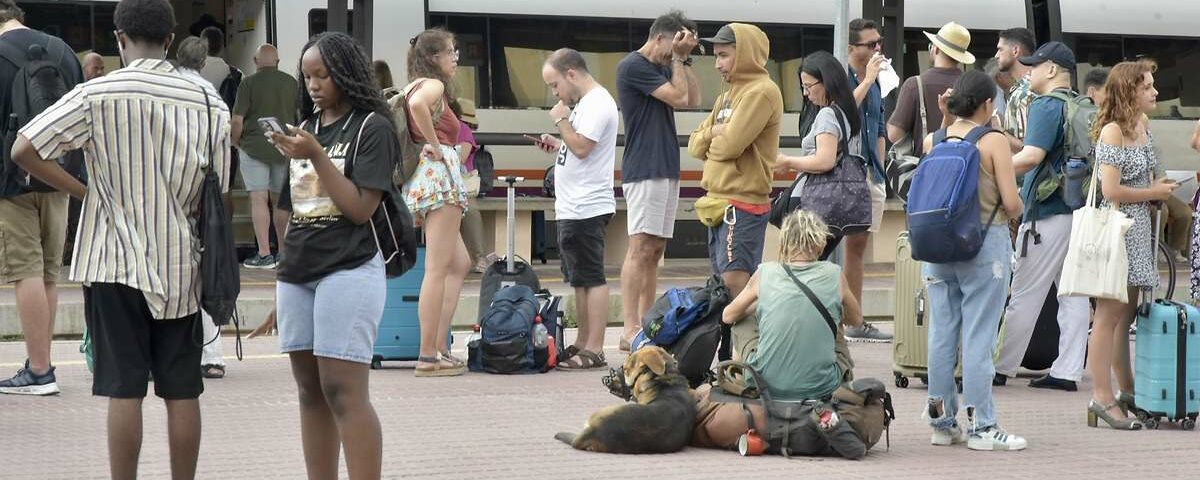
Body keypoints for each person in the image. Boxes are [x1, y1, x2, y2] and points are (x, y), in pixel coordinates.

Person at [12, 0, 229, 476]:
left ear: (119, 38)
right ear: (171, 40)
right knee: (183, 390)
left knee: (123, 388)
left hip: (111, 262)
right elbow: (220, 189)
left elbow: (24, 148)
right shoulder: (209, 101)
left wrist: (85, 191)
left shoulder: (98, 93)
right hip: (181, 265)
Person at [270, 31, 396, 478]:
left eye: (322, 75)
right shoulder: (306, 131)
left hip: (349, 268)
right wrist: (284, 273)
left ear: (346, 73)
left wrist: (318, 156)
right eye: (306, 77)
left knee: (342, 390)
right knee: (309, 391)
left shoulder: (372, 127)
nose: (314, 85)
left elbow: (361, 208)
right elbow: (290, 208)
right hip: (298, 272)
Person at [919, 71, 1027, 450]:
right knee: (979, 336)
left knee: (941, 333)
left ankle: (942, 423)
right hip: (984, 246)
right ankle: (982, 426)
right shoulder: (993, 141)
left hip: (936, 248)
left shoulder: (935, 139)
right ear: (987, 104)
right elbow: (1012, 204)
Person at [995, 42, 1091, 391]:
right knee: (1075, 294)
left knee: (1024, 292)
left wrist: (995, 168)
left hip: (1046, 213)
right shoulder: (1082, 105)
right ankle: (1067, 372)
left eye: (1035, 66)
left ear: (1052, 70)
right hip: (1077, 211)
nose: (1030, 72)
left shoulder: (1047, 105)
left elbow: (1033, 156)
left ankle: (1000, 367)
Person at [0, 0, 83, 396]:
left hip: (10, 180)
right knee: (50, 271)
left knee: (25, 271)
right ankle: (42, 362)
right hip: (59, 175)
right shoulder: (62, 50)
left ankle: (38, 370)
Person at [1085, 60, 1173, 430]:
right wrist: (1153, 191)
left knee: (1127, 314)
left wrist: (1160, 187)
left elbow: (1151, 170)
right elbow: (1109, 190)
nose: (1155, 92)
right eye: (1148, 87)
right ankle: (1101, 397)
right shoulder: (1112, 132)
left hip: (1137, 229)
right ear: (1129, 91)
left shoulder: (1143, 125)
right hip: (1118, 229)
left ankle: (1127, 390)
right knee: (1108, 315)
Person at [687, 23, 782, 362]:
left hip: (742, 204)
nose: (717, 64)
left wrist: (715, 137)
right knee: (722, 290)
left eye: (725, 55)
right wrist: (716, 130)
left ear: (745, 55)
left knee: (736, 287)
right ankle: (728, 361)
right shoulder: (727, 95)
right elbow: (694, 144)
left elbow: (730, 146)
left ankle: (743, 361)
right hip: (718, 202)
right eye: (717, 56)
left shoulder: (761, 91)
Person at [616, 9, 701, 351]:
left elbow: (693, 101)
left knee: (656, 248)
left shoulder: (668, 66)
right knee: (639, 247)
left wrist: (685, 61)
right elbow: (679, 98)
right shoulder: (633, 66)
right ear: (660, 37)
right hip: (644, 166)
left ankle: (648, 321)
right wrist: (677, 61)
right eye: (675, 45)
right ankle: (629, 327)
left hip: (665, 165)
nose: (674, 53)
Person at [535, 48, 619, 370]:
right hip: (573, 205)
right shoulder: (585, 105)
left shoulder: (598, 102)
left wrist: (561, 121)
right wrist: (558, 144)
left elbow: (583, 147)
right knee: (579, 279)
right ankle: (583, 342)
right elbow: (580, 145)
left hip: (587, 205)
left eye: (555, 84)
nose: (555, 93)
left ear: (571, 73)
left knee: (592, 277)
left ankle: (595, 348)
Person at [403, 28, 471, 377]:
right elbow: (417, 108)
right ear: (433, 58)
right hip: (439, 179)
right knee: (437, 269)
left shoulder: (413, 84)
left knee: (459, 263)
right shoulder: (433, 86)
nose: (455, 58)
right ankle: (428, 354)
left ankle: (440, 346)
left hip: (425, 178)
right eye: (450, 52)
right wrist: (436, 144)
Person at [172, 35, 234, 380]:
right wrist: (218, 199)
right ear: (204, 60)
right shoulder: (215, 101)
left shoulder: (165, 90)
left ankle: (172, 351)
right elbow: (222, 166)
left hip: (166, 196)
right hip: (202, 198)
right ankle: (212, 355)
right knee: (206, 271)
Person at [775, 51, 863, 261]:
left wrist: (787, 161)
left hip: (812, 201)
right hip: (836, 201)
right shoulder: (845, 112)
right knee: (813, 265)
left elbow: (825, 160)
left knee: (800, 267)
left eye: (808, 86)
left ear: (827, 82)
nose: (805, 93)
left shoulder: (827, 115)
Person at [842, 18, 892, 343]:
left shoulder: (876, 82)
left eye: (879, 44)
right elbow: (843, 110)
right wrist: (869, 77)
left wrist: (881, 165)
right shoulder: (843, 78)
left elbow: (881, 124)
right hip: (844, 173)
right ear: (851, 49)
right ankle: (842, 319)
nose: (877, 49)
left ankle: (854, 319)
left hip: (870, 172)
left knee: (859, 245)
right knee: (837, 244)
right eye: (870, 44)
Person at [231, 43, 298, 269]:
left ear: (255, 61)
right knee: (281, 201)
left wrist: (235, 141)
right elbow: (298, 116)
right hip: (283, 147)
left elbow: (237, 120)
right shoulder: (291, 83)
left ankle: (264, 254)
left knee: (259, 198)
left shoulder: (247, 83)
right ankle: (283, 253)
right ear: (277, 62)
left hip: (254, 147)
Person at [887, 22, 974, 153]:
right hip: (964, 165)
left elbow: (894, 135)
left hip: (925, 166)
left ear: (936, 49)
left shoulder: (915, 84)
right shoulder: (973, 86)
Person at [452, 97, 495, 273]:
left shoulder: (461, 130)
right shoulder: (464, 130)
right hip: (460, 186)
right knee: (471, 217)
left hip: (459, 184)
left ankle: (477, 258)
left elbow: (461, 158)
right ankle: (478, 258)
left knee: (467, 217)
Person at [994, 27, 1036, 150]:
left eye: (1000, 49)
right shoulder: (1025, 88)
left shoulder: (1025, 93)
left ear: (1015, 50)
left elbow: (1027, 149)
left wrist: (998, 129)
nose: (996, 55)